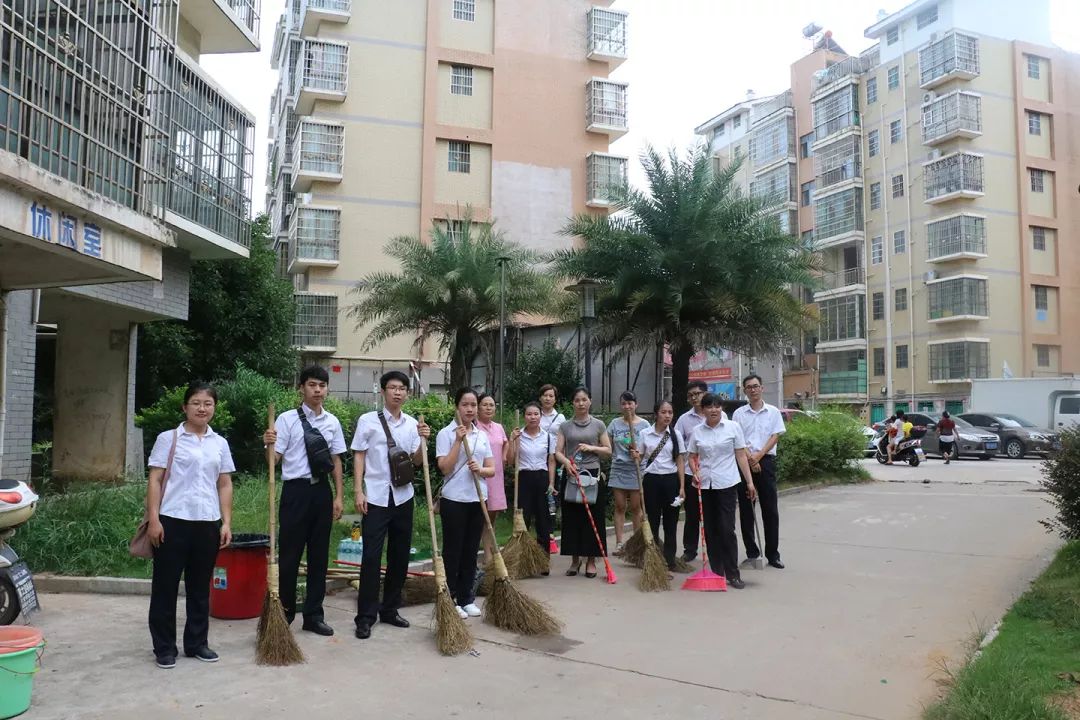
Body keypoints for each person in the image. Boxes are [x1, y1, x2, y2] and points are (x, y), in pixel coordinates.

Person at [146, 382, 235, 669]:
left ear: (214, 408)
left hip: (207, 523)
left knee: (200, 588)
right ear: (185, 407)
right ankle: (164, 648)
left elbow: (224, 483)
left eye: (208, 403)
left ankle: (197, 643)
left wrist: (226, 522)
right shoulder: (168, 438)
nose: (202, 408)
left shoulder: (219, 443)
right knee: (165, 587)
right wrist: (154, 519)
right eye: (196, 402)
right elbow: (155, 480)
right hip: (172, 521)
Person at [262, 365, 346, 636]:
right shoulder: (286, 420)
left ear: (327, 389)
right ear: (301, 388)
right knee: (289, 556)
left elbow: (336, 461)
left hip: (322, 492)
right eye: (312, 385)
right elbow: (274, 461)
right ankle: (283, 615)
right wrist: (268, 445)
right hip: (295, 493)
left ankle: (313, 615)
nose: (318, 390)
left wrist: (339, 496)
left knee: (319, 557)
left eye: (322, 385)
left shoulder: (332, 422)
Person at [350, 371, 431, 640]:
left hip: (403, 497)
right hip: (374, 496)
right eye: (392, 388)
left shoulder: (411, 424)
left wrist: (423, 442)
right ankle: (365, 617)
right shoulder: (368, 421)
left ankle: (390, 609)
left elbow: (416, 462)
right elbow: (359, 455)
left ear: (408, 393)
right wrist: (358, 490)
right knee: (371, 557)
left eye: (402, 389)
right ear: (383, 391)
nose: (397, 392)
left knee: (399, 555)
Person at [687, 393, 757, 589]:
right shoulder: (697, 431)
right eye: (709, 407)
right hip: (705, 485)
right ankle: (716, 572)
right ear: (703, 410)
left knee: (727, 529)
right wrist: (695, 471)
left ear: (721, 408)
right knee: (710, 530)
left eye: (717, 406)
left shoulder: (733, 428)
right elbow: (692, 457)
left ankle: (732, 573)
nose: (714, 410)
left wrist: (749, 483)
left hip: (726, 484)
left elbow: (741, 456)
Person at [436, 389, 495, 618]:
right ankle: (450, 599)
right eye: (465, 404)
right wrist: (458, 441)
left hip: (477, 498)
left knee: (471, 550)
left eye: (473, 405)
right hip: (454, 499)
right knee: (453, 550)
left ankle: (466, 597)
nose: (470, 409)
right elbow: (444, 467)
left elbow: (491, 469)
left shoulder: (481, 435)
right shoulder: (446, 433)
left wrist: (480, 470)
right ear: (457, 406)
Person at [554, 386, 612, 578]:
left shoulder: (598, 425)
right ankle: (574, 560)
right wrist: (566, 463)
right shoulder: (565, 426)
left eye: (584, 399)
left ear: (590, 401)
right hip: (572, 474)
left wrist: (591, 447)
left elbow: (608, 450)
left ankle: (591, 561)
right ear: (573, 403)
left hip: (592, 475)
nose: (581, 403)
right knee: (572, 518)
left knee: (592, 518)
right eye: (577, 400)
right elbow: (558, 452)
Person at [732, 374, 787, 570]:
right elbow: (737, 440)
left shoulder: (772, 412)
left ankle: (773, 554)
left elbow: (775, 436)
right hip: (745, 463)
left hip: (767, 462)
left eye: (756, 386)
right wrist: (750, 458)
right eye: (749, 387)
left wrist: (759, 456)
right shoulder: (739, 414)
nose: (753, 390)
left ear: (762, 388)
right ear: (745, 390)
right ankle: (752, 553)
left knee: (770, 509)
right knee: (747, 511)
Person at [507, 401, 556, 572]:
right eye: (529, 414)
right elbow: (511, 461)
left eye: (536, 414)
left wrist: (551, 483)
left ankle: (543, 561)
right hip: (524, 478)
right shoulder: (518, 435)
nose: (532, 417)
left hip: (542, 478)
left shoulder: (548, 437)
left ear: (541, 416)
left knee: (543, 520)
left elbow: (551, 461)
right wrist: (512, 441)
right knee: (522, 519)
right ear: (525, 416)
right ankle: (521, 560)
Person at [637, 400, 685, 569]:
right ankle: (654, 558)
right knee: (653, 521)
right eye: (664, 412)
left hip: (671, 480)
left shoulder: (675, 434)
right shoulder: (645, 433)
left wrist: (682, 486)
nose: (667, 415)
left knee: (671, 523)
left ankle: (670, 560)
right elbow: (640, 457)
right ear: (656, 413)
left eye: (670, 412)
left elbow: (680, 460)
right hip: (652, 481)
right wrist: (635, 456)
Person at [606, 391, 650, 553]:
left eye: (630, 403)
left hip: (637, 470)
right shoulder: (614, 424)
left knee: (636, 508)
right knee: (619, 506)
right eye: (624, 403)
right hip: (619, 468)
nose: (627, 406)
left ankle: (637, 544)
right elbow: (608, 447)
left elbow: (648, 448)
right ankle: (619, 543)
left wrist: (639, 454)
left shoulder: (644, 425)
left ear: (636, 404)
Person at [674, 380, 708, 561]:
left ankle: (715, 547)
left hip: (712, 473)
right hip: (690, 473)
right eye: (691, 395)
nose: (695, 397)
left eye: (698, 393)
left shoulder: (718, 415)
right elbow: (677, 446)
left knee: (712, 514)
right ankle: (690, 550)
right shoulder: (684, 419)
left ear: (705, 393)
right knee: (692, 513)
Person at [476, 393, 508, 564]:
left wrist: (503, 456)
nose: (488, 408)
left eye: (492, 405)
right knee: (481, 515)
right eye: (485, 405)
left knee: (492, 515)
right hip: (480, 475)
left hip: (496, 476)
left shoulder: (498, 427)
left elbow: (505, 442)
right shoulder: (474, 427)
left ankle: (490, 550)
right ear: (478, 408)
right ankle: (485, 552)